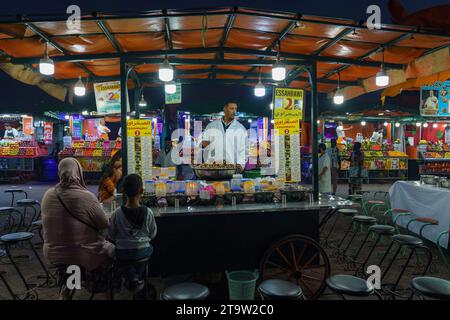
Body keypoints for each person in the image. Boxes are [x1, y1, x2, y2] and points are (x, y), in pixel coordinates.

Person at [41, 158, 114, 297]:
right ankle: (103, 290)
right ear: (79, 173)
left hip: (52, 253)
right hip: (80, 253)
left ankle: (68, 289)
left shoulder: (48, 195)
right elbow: (104, 223)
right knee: (111, 252)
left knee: (70, 256)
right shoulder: (86, 197)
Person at [108, 174, 157, 294]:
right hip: (142, 251)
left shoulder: (116, 214)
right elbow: (153, 234)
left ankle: (131, 278)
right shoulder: (148, 212)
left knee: (121, 255)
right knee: (145, 250)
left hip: (122, 253)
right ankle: (137, 278)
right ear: (141, 191)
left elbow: (111, 236)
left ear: (123, 191)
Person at [202, 101, 248, 173]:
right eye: (232, 109)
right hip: (213, 168)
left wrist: (241, 164)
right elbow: (204, 144)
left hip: (232, 169)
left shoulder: (241, 128)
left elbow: (245, 149)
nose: (234, 111)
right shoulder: (211, 126)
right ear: (225, 109)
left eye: (235, 109)